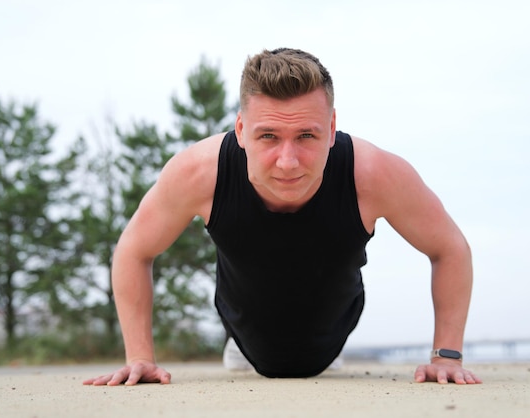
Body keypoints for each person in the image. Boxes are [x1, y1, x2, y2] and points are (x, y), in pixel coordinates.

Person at [83, 48, 481, 386]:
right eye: (268, 136)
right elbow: (134, 248)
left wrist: (447, 356)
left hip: (332, 337)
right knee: (249, 343)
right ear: (240, 130)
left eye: (306, 136)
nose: (288, 162)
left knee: (318, 352)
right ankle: (240, 346)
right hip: (243, 332)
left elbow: (449, 248)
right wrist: (140, 356)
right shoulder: (200, 173)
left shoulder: (374, 174)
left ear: (331, 128)